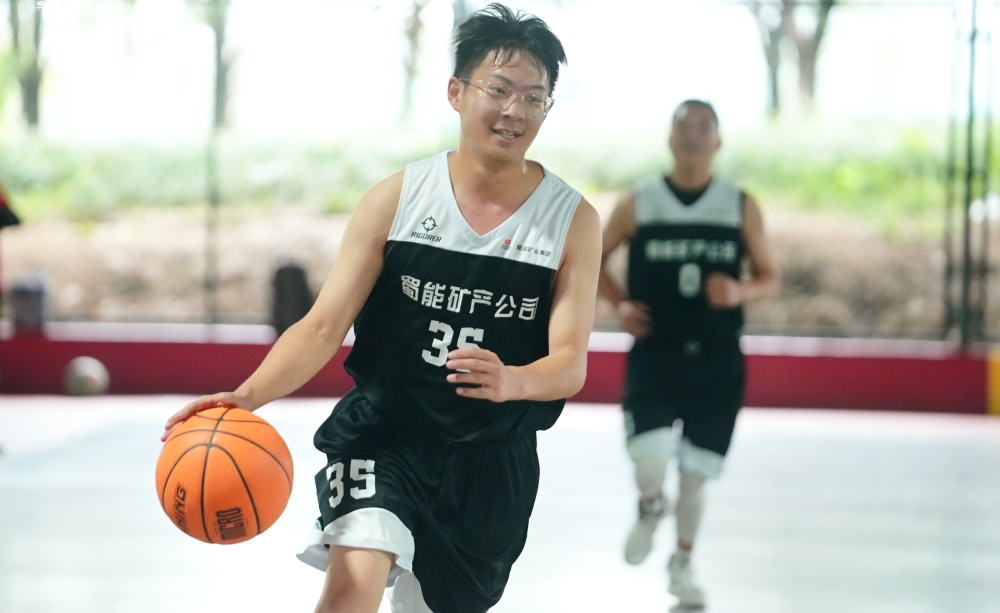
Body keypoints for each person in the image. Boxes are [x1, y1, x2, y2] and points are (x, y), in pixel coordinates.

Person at [162, 5, 601, 613]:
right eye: (498, 90)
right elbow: (322, 326)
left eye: (534, 98)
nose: (514, 111)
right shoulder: (398, 199)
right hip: (385, 435)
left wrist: (514, 380)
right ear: (457, 92)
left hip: (489, 462)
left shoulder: (571, 222)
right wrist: (247, 396)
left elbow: (570, 362)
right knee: (352, 585)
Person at [598, 100, 779, 609]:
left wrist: (740, 291)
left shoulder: (739, 204)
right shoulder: (639, 200)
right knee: (650, 459)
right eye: (683, 126)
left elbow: (770, 277)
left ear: (717, 141)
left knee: (696, 478)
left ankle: (682, 565)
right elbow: (592, 258)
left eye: (704, 127)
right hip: (655, 355)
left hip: (716, 362)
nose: (693, 135)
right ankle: (650, 505)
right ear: (669, 138)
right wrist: (620, 304)